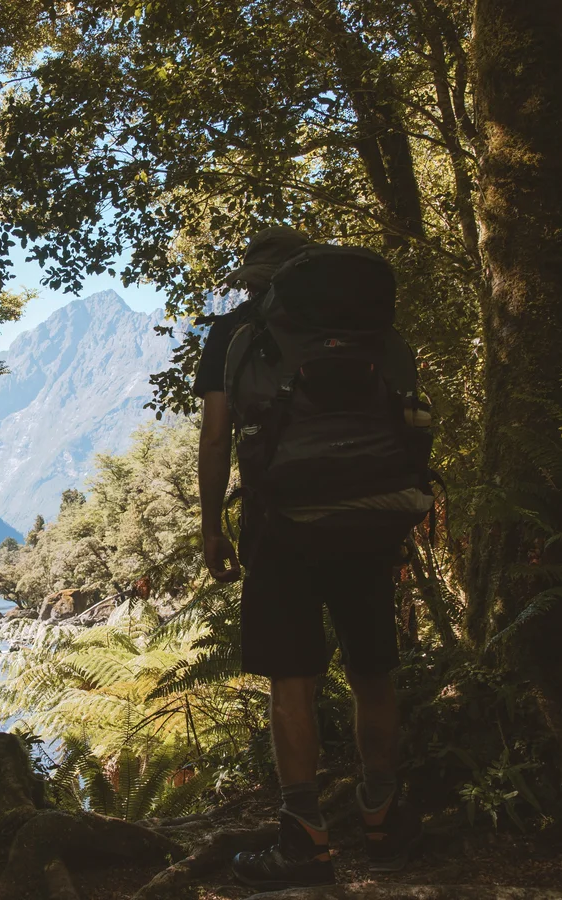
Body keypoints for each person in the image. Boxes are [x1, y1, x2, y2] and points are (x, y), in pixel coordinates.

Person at [194, 226, 422, 891]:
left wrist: (213, 526)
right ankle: (383, 820)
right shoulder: (372, 330)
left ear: (254, 278)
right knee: (373, 666)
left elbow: (215, 436)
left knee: (292, 680)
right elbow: (410, 414)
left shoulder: (236, 334)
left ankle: (307, 845)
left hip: (281, 522)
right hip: (369, 518)